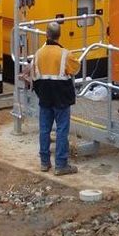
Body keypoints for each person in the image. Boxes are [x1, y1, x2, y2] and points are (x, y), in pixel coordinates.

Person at [31, 21, 81, 176]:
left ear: (47, 34)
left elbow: (33, 74)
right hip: (61, 96)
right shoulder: (65, 54)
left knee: (44, 129)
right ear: (59, 35)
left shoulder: (38, 53)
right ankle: (61, 165)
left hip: (44, 95)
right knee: (61, 130)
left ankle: (44, 163)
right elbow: (75, 69)